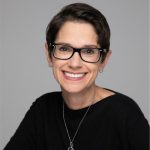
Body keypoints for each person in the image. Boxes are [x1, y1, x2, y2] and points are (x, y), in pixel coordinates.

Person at [4, 2, 149, 150]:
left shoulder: (125, 114)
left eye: (88, 51)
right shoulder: (43, 109)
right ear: (49, 54)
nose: (75, 63)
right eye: (64, 48)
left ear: (104, 60)